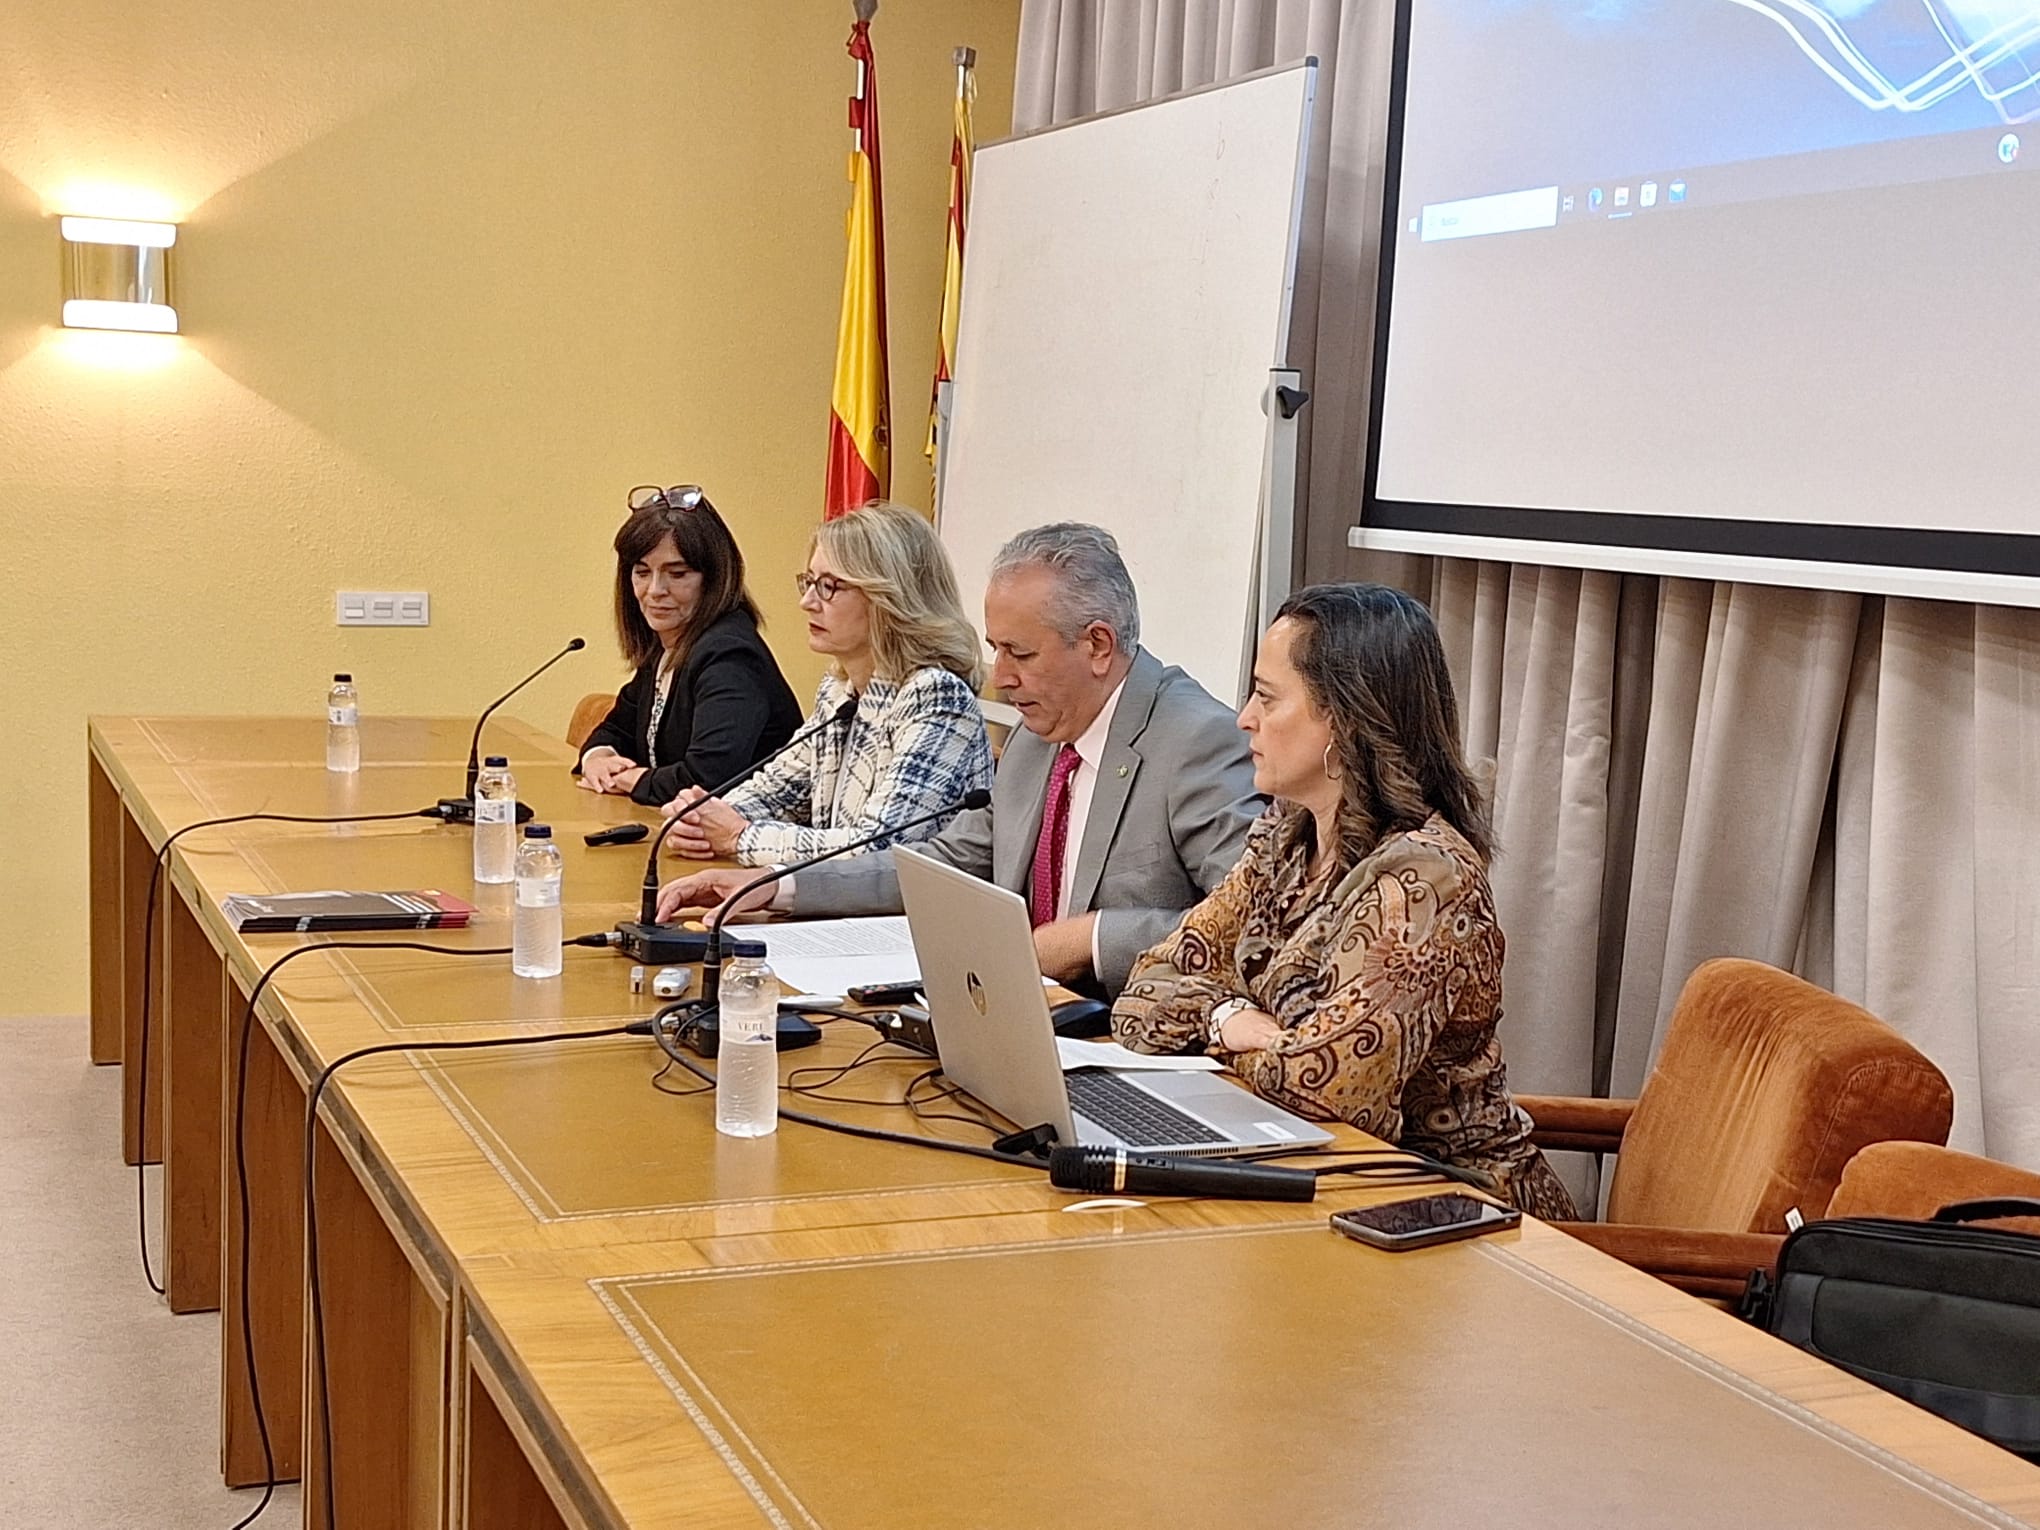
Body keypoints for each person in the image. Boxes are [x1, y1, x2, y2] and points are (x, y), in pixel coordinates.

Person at [1111, 584, 1576, 1218]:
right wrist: (1228, 1020)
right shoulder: (1285, 836)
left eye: (1267, 698)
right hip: (1325, 1181)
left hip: (1458, 1211)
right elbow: (1145, 991)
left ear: (1344, 718)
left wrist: (1217, 1030)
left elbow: (1325, 1090)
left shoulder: (1426, 880)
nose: (1244, 718)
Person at [658, 522, 1263, 998]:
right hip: (1016, 1011)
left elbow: (1253, 919)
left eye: (1020, 653)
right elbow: (945, 864)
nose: (1001, 678)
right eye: (997, 649)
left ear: (1098, 645)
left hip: (1129, 1033)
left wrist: (1092, 937)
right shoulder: (1039, 736)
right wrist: (778, 887)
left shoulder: (1196, 741)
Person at [660, 501, 992, 865]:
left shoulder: (937, 698)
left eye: (829, 586)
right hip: (836, 896)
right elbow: (778, 791)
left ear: (890, 598)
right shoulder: (840, 690)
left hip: (904, 902)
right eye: (809, 582)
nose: (807, 602)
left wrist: (738, 837)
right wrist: (699, 819)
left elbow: (878, 849)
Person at [575, 484, 803, 807]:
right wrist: (598, 758)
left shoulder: (730, 656)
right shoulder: (667, 644)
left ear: (713, 579)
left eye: (677, 574)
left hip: (748, 833)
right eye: (642, 572)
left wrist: (630, 779)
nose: (655, 590)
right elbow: (617, 730)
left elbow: (707, 780)